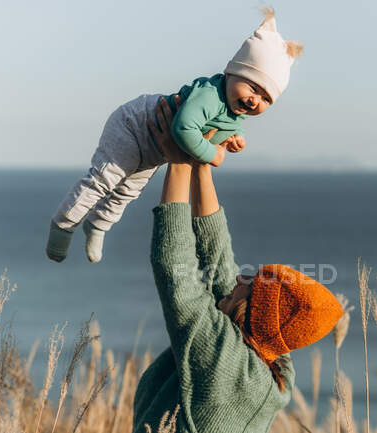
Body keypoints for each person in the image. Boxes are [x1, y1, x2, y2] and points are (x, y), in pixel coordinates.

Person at [131, 97, 344, 433]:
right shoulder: (272, 362)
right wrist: (201, 159)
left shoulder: (224, 361)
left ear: (251, 311)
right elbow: (219, 258)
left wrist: (177, 161)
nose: (241, 275)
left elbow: (175, 269)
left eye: (252, 282)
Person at [46, 8, 303, 263]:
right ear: (231, 74)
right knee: (104, 179)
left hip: (153, 149)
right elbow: (183, 129)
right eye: (252, 87)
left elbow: (229, 123)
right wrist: (213, 153)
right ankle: (63, 226)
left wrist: (236, 136)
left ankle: (97, 225)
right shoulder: (209, 96)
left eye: (265, 98)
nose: (253, 99)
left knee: (128, 191)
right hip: (134, 125)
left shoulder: (233, 106)